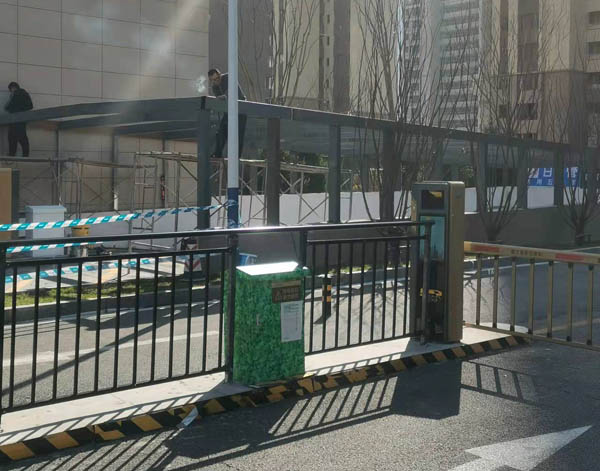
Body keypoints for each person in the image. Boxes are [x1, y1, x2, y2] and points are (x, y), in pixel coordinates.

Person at [208, 68, 247, 159]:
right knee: (222, 131)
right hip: (229, 111)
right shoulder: (214, 87)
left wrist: (223, 97)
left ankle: (237, 156)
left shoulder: (228, 77)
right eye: (213, 80)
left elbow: (234, 94)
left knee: (239, 134)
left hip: (240, 109)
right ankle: (217, 153)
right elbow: (220, 101)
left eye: (217, 78)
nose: (216, 81)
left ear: (220, 75)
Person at [4, 82, 33, 157]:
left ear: (13, 87)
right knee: (22, 137)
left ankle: (12, 155)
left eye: (10, 90)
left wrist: (11, 108)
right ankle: (25, 155)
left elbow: (8, 107)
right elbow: (30, 106)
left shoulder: (16, 94)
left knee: (12, 138)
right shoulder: (25, 94)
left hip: (15, 119)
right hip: (21, 119)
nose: (10, 91)